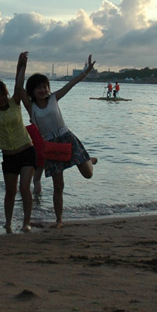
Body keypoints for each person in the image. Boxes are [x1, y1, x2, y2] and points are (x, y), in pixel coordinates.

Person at [23, 56, 98, 227]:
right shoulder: (31, 107)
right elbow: (19, 88)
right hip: (51, 146)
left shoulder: (53, 99)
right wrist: (22, 65)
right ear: (32, 91)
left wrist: (86, 71)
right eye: (38, 88)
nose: (42, 90)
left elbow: (71, 83)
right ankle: (59, 220)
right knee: (59, 186)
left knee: (88, 174)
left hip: (67, 138)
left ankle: (88, 160)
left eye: (44, 87)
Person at [0, 52, 36, 232]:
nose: (0, 99)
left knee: (24, 188)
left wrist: (21, 65)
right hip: (9, 156)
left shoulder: (15, 102)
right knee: (10, 191)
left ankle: (26, 222)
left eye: (2, 94)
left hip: (27, 150)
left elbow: (19, 84)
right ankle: (8, 222)